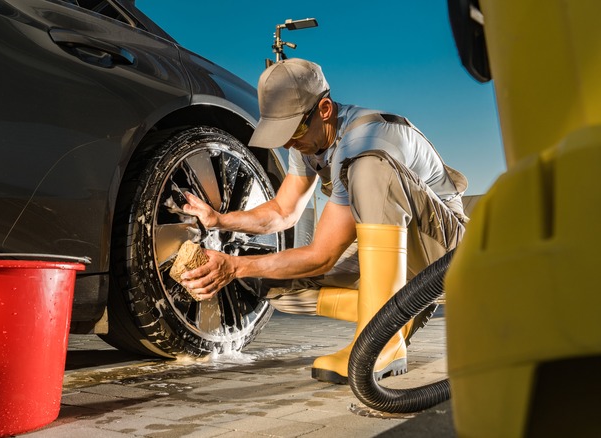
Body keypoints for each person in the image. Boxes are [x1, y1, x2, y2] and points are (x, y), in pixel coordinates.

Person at [180, 58, 469, 384]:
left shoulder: (367, 139)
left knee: (368, 168)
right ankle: (400, 316)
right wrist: (220, 219)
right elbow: (282, 211)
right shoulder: (308, 143)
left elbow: (322, 255)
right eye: (281, 133)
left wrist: (232, 266)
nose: (289, 142)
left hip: (448, 252)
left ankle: (383, 344)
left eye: (294, 130)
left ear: (325, 109)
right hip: (392, 253)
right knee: (274, 282)